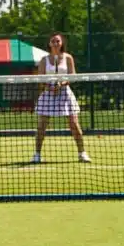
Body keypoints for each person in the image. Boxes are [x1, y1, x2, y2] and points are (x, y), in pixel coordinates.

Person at [32, 33, 90, 163]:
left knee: (74, 124)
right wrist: (49, 87)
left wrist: (62, 84)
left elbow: (72, 76)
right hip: (48, 93)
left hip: (65, 93)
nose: (55, 43)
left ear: (62, 43)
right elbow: (40, 78)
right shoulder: (44, 60)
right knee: (42, 125)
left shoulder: (68, 58)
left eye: (58, 41)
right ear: (49, 44)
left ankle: (82, 153)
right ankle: (37, 154)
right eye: (53, 41)